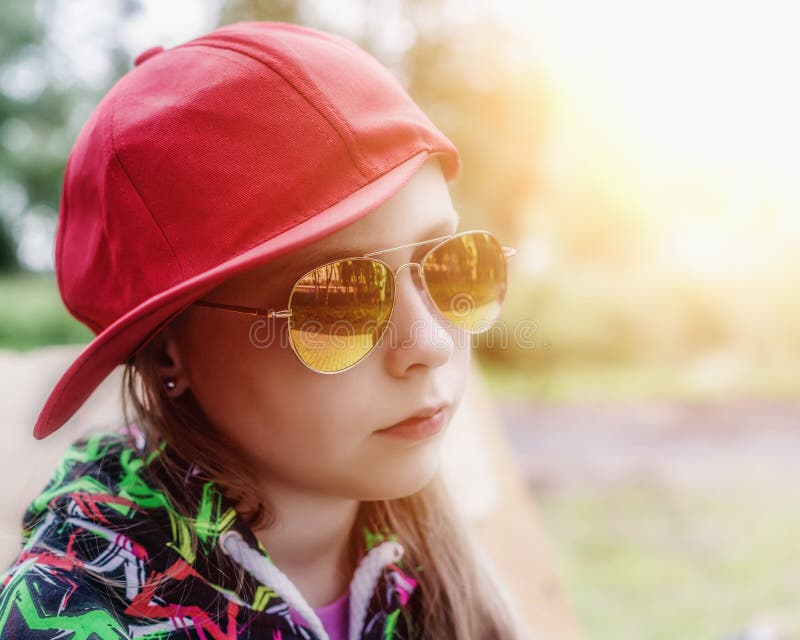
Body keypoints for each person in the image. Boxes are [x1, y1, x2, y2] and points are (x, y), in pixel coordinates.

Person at [0, 21, 526, 640]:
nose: (432, 344)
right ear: (170, 350)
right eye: (336, 302)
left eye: (449, 265)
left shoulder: (428, 557)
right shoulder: (72, 616)